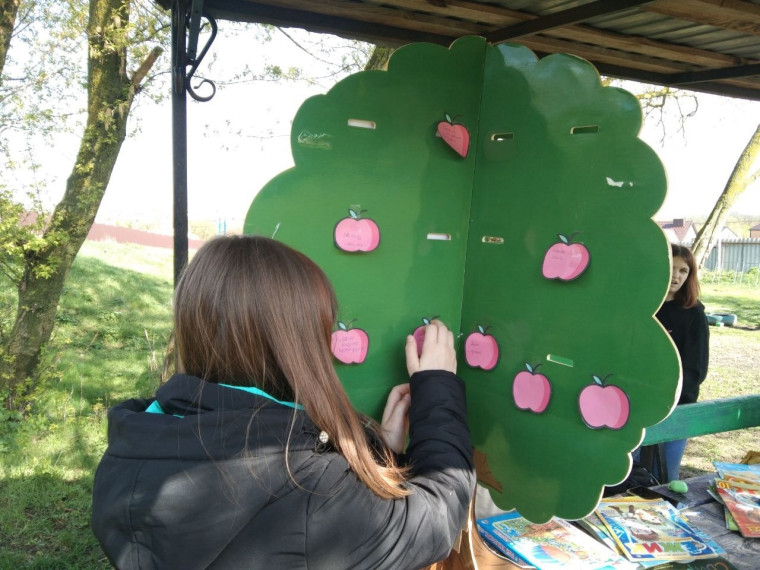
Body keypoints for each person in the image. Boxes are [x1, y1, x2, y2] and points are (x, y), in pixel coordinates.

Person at [91, 236, 475, 569]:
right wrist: (438, 388)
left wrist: (380, 451)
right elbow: (435, 521)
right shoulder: (305, 485)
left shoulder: (130, 450)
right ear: (295, 346)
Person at [652, 243, 710, 481]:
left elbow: (696, 369)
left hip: (677, 406)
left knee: (665, 477)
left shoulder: (694, 313)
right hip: (635, 402)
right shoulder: (645, 308)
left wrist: (668, 396)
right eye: (671, 268)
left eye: (683, 271)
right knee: (631, 475)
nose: (676, 275)